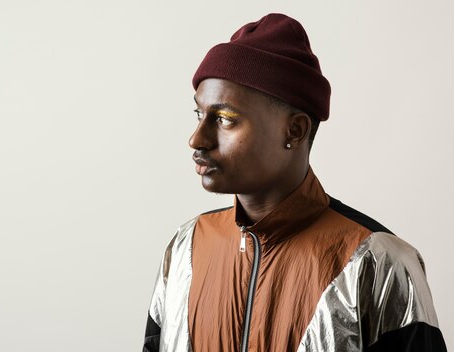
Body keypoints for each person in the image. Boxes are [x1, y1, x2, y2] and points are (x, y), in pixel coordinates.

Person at [142, 13, 447, 352]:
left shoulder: (378, 262)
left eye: (225, 119)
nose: (197, 139)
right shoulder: (186, 249)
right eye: (200, 115)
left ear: (295, 130)